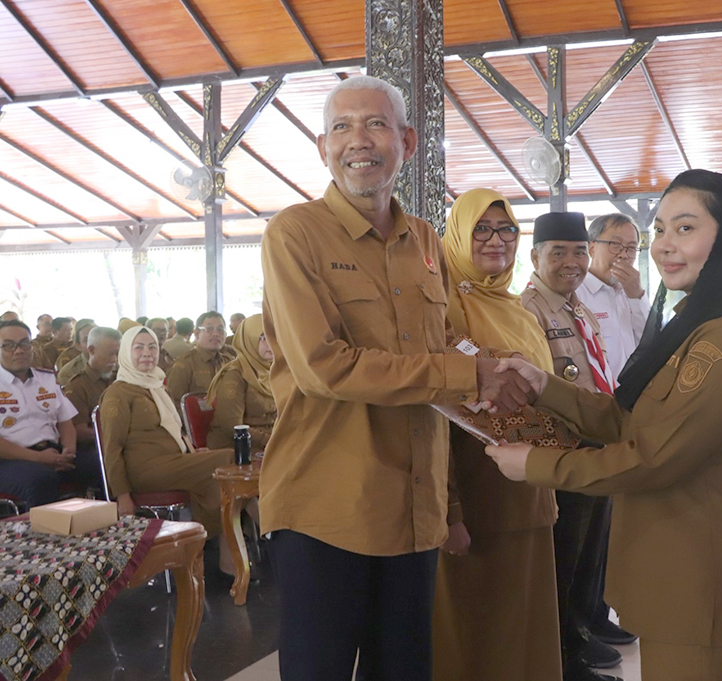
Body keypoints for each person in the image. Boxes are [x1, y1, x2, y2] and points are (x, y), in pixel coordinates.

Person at [260, 75, 532, 681]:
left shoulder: (425, 240)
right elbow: (324, 367)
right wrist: (470, 373)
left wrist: (498, 369)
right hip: (329, 508)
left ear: (407, 142)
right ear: (323, 148)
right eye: (341, 127)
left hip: (415, 508)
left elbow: (442, 356)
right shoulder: (294, 234)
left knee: (405, 670)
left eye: (376, 124)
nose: (359, 140)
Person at [485, 169, 722, 681]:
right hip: (675, 569)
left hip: (704, 578)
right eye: (662, 229)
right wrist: (545, 386)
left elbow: (651, 457)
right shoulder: (696, 323)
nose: (665, 245)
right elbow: (629, 419)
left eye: (686, 228)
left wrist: (536, 464)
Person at [432, 188, 562, 681]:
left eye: (506, 229)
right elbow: (437, 417)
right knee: (472, 637)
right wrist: (450, 511)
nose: (496, 240)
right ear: (457, 237)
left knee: (524, 630)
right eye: (481, 229)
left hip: (530, 491)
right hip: (476, 499)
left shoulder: (519, 311)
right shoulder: (444, 310)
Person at [520, 212, 623, 681]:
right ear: (535, 257)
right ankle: (563, 651)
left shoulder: (575, 306)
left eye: (579, 251)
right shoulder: (530, 309)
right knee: (566, 555)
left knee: (592, 549)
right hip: (565, 448)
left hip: (596, 440)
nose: (572, 262)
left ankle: (583, 628)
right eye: (557, 252)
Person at [98, 326, 234, 560]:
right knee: (228, 458)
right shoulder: (118, 393)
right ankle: (227, 545)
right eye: (138, 347)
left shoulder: (157, 385)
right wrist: (122, 495)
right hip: (144, 470)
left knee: (218, 475)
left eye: (152, 347)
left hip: (171, 462)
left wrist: (192, 452)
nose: (147, 353)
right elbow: (112, 447)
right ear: (125, 353)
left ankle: (212, 550)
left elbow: (176, 430)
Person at [0, 320, 77, 508]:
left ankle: (109, 524)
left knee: (100, 464)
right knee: (42, 478)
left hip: (54, 452)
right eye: (9, 345)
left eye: (24, 343)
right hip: (9, 460)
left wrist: (69, 451)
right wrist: (39, 458)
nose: (19, 350)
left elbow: (65, 421)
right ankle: (44, 528)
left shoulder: (46, 378)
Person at [577, 214, 650, 379]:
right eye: (616, 245)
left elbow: (651, 343)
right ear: (592, 248)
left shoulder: (633, 293)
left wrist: (637, 296)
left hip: (637, 390)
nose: (624, 255)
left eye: (631, 248)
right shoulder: (576, 295)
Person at [206, 314, 276, 450]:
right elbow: (233, 427)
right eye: (263, 337)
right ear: (248, 339)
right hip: (239, 445)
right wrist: (271, 441)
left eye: (274, 336)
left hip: (269, 441)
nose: (270, 343)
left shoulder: (273, 370)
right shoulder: (234, 375)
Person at [63, 327, 121, 448]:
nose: (114, 359)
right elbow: (80, 432)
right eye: (109, 354)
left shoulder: (120, 378)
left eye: (117, 354)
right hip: (95, 447)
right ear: (92, 350)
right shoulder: (78, 386)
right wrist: (114, 436)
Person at [165, 311, 235, 406]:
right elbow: (172, 404)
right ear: (197, 334)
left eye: (220, 329)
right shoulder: (183, 365)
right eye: (209, 329)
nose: (215, 334)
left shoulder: (229, 362)